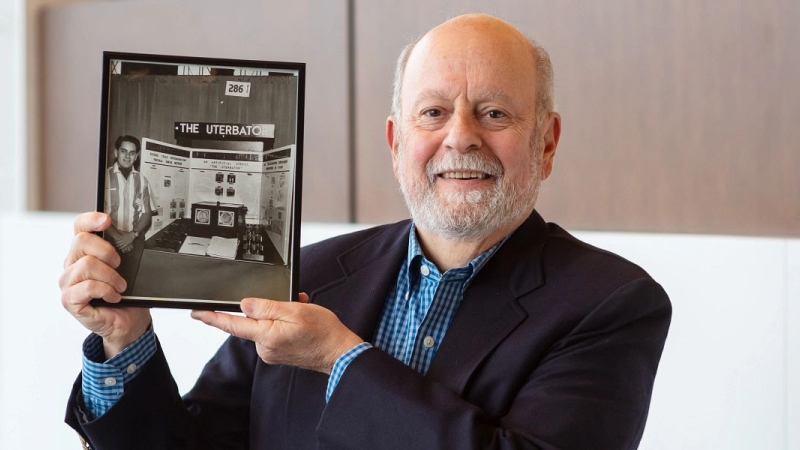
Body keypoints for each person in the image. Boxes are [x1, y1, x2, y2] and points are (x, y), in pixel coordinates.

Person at [59, 14, 671, 449]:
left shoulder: (612, 304)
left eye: (494, 113)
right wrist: (124, 338)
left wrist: (340, 360)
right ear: (396, 141)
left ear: (546, 141)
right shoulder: (310, 275)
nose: (460, 136)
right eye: (432, 112)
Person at [103, 135, 154, 294]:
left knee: (127, 287)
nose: (127, 156)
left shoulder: (143, 180)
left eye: (132, 153)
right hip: (109, 240)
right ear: (116, 152)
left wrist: (132, 235)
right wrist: (119, 238)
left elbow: (147, 214)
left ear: (137, 156)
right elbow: (99, 215)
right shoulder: (103, 177)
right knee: (107, 285)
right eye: (124, 151)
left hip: (135, 241)